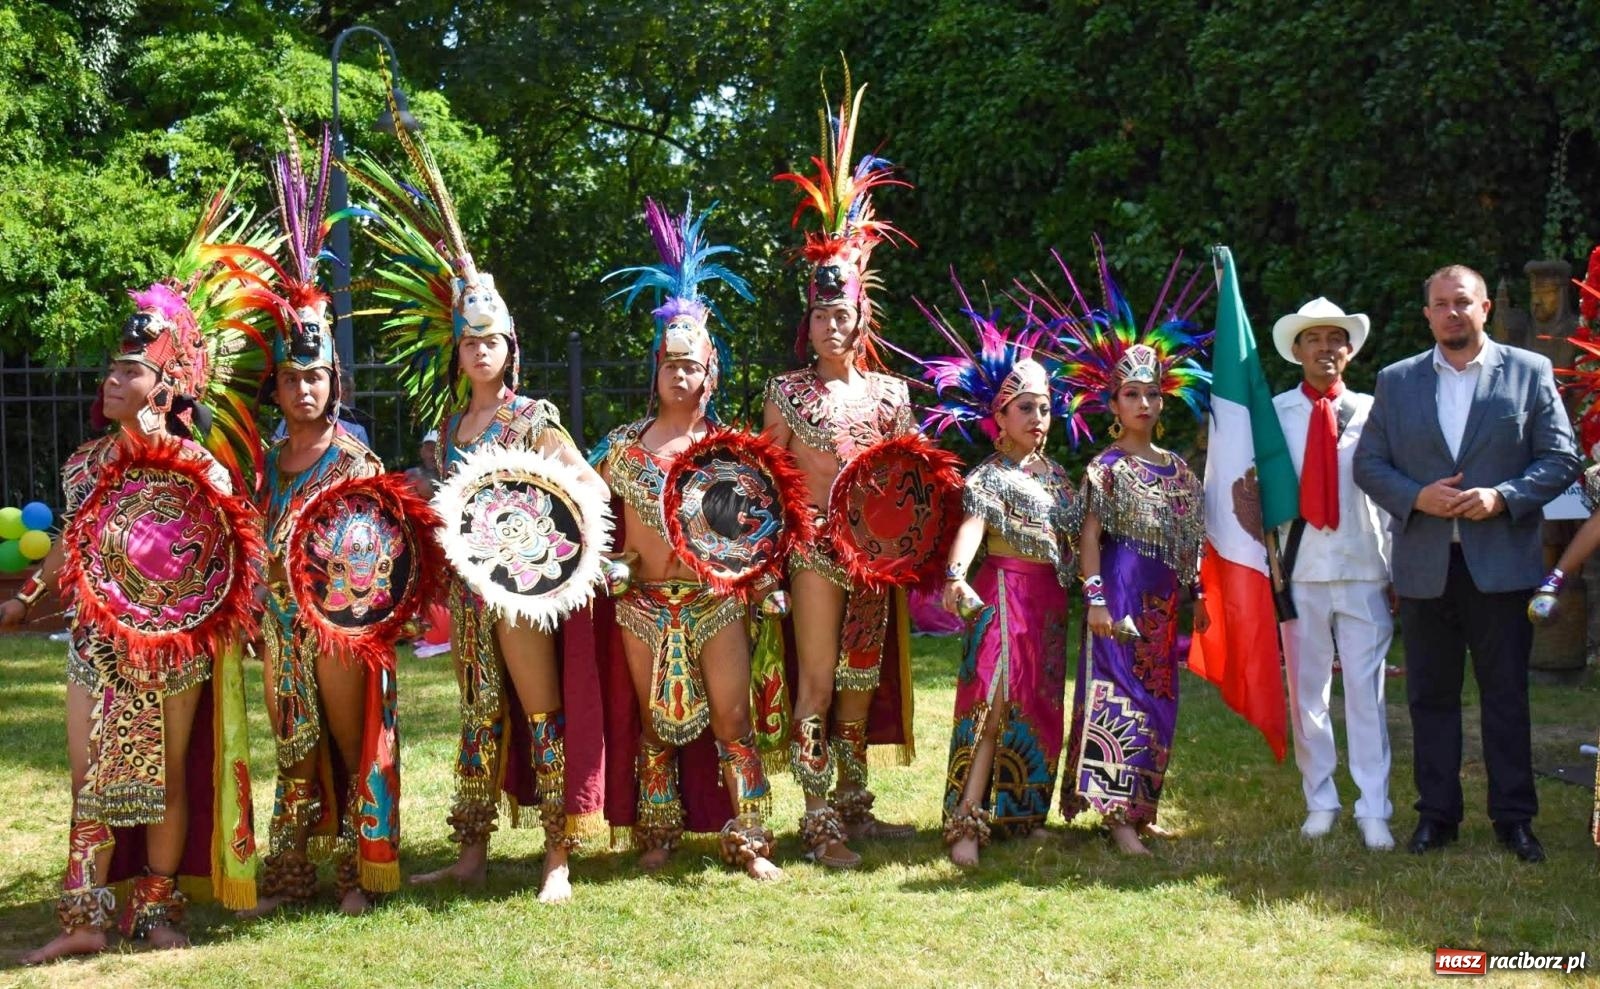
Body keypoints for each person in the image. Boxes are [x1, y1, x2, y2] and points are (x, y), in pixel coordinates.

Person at [348, 116, 612, 902]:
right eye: (469, 343)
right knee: (478, 714)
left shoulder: (535, 417)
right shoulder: (448, 429)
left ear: (511, 346)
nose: (480, 351)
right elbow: (437, 496)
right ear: (458, 351)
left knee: (540, 710)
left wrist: (566, 527)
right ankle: (469, 851)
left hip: (523, 590)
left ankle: (556, 852)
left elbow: (587, 483)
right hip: (467, 595)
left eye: (490, 340)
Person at [0, 193, 266, 961]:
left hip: (173, 645)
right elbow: (65, 551)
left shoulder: (198, 466)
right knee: (90, 773)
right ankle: (83, 915)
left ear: (163, 384)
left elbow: (231, 547)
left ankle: (153, 912)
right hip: (94, 642)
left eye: (128, 369)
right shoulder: (85, 467)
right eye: (111, 367)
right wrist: (24, 597)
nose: (110, 379)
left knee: (170, 777)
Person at [1353, 264, 1580, 863]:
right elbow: (1369, 464)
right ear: (1426, 313)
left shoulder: (1528, 372)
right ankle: (1437, 817)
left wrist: (1502, 496)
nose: (1452, 313)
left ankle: (1514, 819)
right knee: (1429, 696)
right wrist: (1416, 496)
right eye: (1440, 304)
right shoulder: (1397, 381)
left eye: (1463, 302)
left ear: (1484, 309)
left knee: (1506, 694)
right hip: (1426, 564)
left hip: (1500, 564)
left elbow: (1561, 457)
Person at [594, 198, 785, 880]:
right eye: (671, 365)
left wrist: (762, 583)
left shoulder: (733, 452)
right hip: (642, 602)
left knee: (733, 720)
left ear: (712, 373)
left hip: (716, 601)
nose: (683, 376)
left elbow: (762, 529)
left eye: (695, 366)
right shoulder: (618, 449)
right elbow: (583, 515)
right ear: (656, 370)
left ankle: (752, 839)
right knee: (653, 725)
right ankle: (657, 834)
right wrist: (609, 564)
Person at [763, 74, 918, 867]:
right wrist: (772, 564)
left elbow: (914, 483)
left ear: (861, 318)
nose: (832, 322)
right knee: (818, 681)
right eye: (821, 312)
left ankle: (855, 800)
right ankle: (818, 816)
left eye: (844, 312)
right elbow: (766, 486)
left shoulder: (892, 393)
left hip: (875, 556)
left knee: (862, 679)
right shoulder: (784, 393)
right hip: (816, 551)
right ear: (809, 317)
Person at [245, 127, 400, 916]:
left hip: (337, 623)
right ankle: (291, 870)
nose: (306, 390)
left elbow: (380, 554)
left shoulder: (356, 461)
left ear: (333, 382)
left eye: (317, 377)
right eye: (293, 379)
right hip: (277, 625)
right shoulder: (263, 462)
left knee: (346, 741)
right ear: (275, 388)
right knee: (291, 748)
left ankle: (353, 870)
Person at [1040, 245, 1210, 856]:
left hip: (1164, 603)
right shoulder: (1105, 469)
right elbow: (1088, 539)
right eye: (1131, 395)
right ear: (1112, 406)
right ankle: (1116, 818)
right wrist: (1094, 601)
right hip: (1117, 596)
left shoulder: (1180, 471)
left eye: (1152, 395)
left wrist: (1201, 597)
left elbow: (1191, 542)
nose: (1143, 403)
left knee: (1161, 699)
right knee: (1119, 696)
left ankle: (1144, 804)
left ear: (1163, 403)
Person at [910, 284, 1080, 868]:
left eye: (1045, 406)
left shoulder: (1061, 478)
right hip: (1004, 596)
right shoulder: (988, 476)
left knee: (1039, 705)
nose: (1039, 416)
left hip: (1051, 603)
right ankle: (966, 824)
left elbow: (1081, 542)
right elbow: (973, 528)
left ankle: (1024, 816)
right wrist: (957, 577)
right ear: (999, 420)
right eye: (1026, 408)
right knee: (992, 704)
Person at [1269, 298, 1396, 851]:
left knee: (1367, 692)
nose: (1326, 348)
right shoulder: (1272, 414)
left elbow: (1390, 493)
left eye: (1335, 338)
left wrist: (1397, 564)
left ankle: (1374, 807)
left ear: (1350, 350)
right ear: (1297, 350)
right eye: (1313, 338)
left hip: (1365, 564)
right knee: (1307, 694)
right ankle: (1320, 799)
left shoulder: (1375, 409)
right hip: (1300, 570)